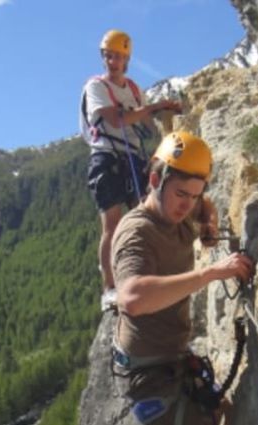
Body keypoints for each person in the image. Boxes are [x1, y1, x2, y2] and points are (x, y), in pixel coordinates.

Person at [111, 131, 253, 425]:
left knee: (211, 424)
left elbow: (203, 208)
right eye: (179, 195)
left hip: (170, 359)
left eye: (194, 197)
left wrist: (206, 219)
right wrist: (209, 273)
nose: (186, 206)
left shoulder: (184, 214)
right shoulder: (138, 231)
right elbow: (131, 297)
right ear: (155, 178)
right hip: (150, 374)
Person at [81, 29, 182, 311]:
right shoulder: (96, 87)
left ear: (127, 59)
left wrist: (165, 114)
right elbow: (117, 119)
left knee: (145, 216)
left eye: (118, 57)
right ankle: (110, 288)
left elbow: (145, 124)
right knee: (112, 226)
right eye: (108, 56)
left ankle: (146, 275)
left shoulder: (134, 90)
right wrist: (154, 107)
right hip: (106, 158)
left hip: (131, 157)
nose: (112, 62)